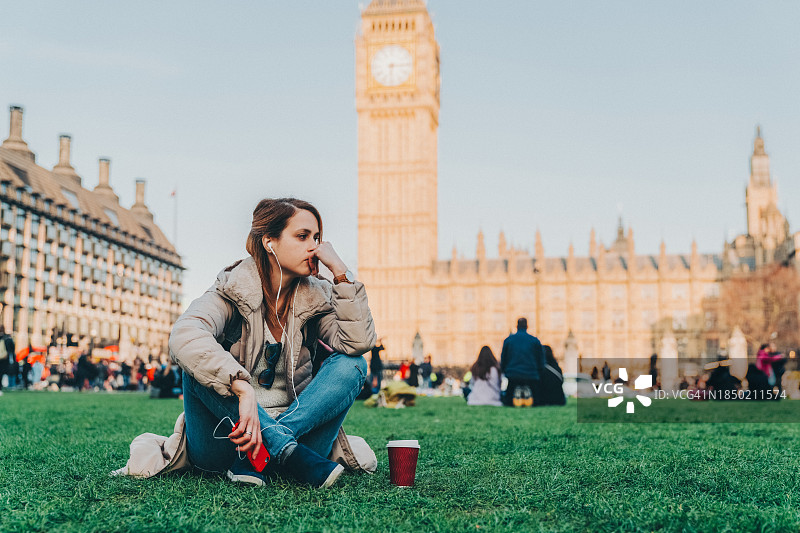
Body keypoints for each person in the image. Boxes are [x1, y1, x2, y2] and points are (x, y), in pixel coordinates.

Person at [169, 198, 376, 488]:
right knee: (196, 364)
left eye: (317, 238)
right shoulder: (231, 290)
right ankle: (283, 451)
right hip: (225, 438)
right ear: (270, 242)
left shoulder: (319, 297)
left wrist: (341, 273)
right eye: (302, 236)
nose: (314, 247)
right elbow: (185, 333)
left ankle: (277, 446)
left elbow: (357, 343)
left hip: (302, 437)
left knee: (352, 364)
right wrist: (242, 389)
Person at [500, 317, 545, 407]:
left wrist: (505, 370)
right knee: (536, 400)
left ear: (517, 326)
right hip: (531, 374)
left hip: (513, 374)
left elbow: (503, 359)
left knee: (509, 400)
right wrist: (538, 372)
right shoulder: (534, 340)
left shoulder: (508, 340)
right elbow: (541, 360)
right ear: (527, 326)